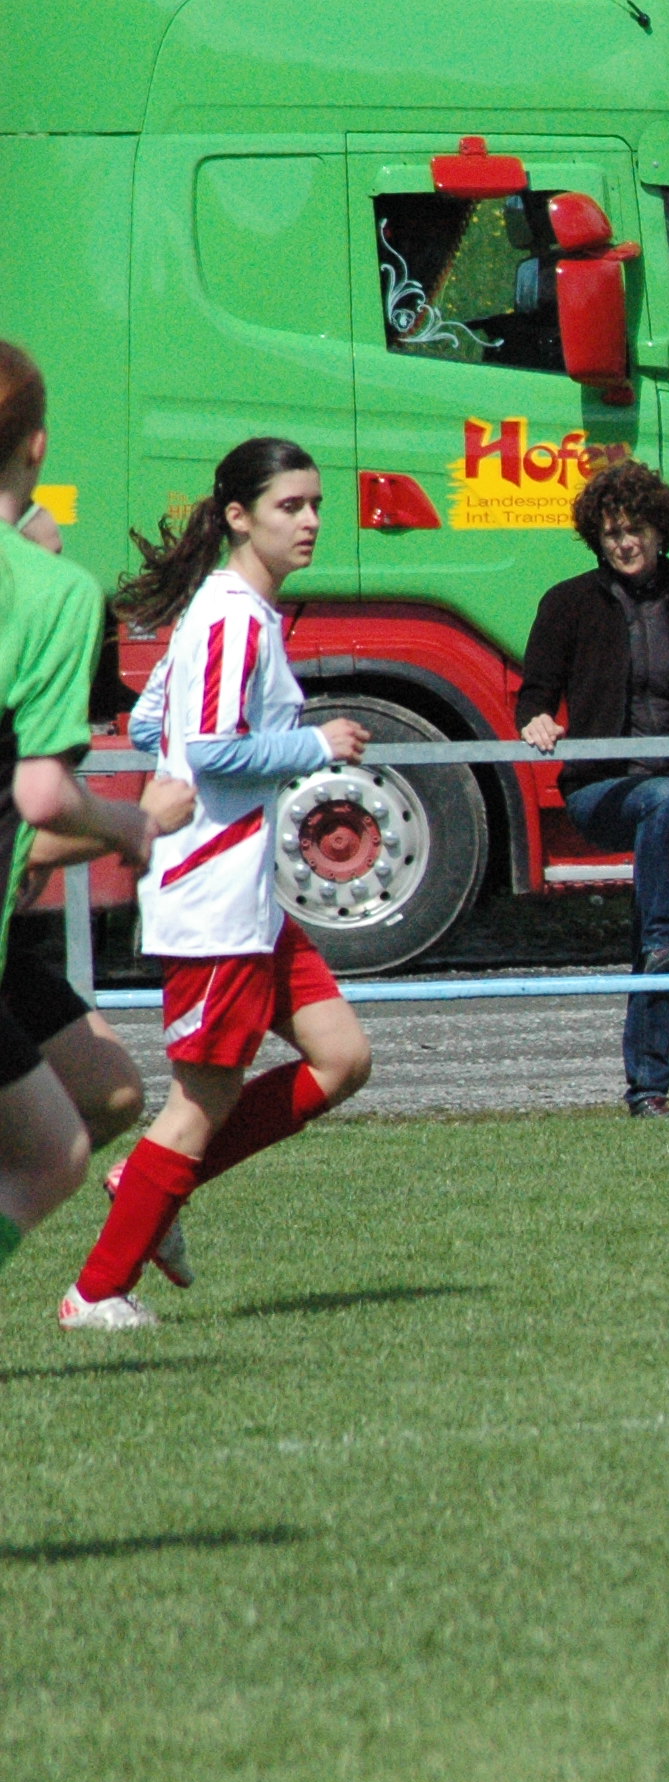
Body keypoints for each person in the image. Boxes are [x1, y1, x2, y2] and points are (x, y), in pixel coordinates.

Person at [62, 437, 375, 1330]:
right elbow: (208, 748)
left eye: (316, 505)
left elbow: (156, 722)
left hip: (249, 901)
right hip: (212, 902)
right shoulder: (233, 617)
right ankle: (95, 1293)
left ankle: (148, 1185)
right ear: (239, 516)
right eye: (290, 506)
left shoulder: (234, 612)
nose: (310, 521)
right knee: (202, 1103)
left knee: (343, 1058)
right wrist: (315, 742)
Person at [0, 340, 166, 1278]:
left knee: (100, 1102)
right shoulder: (54, 595)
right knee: (54, 1156)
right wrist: (131, 823)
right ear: (38, 447)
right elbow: (41, 796)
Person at [518, 460, 669, 1114]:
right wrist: (536, 720)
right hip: (603, 792)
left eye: (636, 529)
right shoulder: (566, 603)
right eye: (613, 532)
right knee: (663, 913)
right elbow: (535, 694)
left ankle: (649, 1089)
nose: (625, 543)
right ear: (597, 538)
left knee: (659, 930)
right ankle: (661, 943)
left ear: (660, 532)